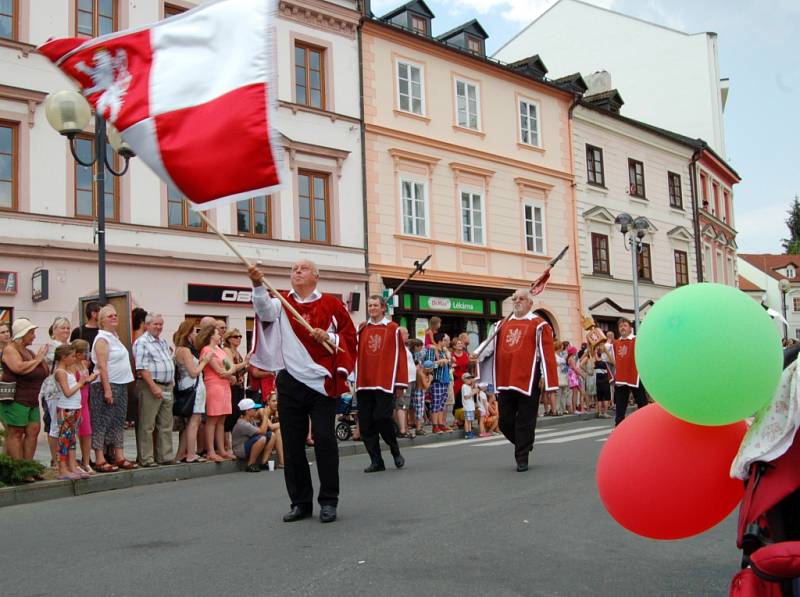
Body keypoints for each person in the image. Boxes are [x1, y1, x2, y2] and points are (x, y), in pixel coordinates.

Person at [248, 259, 356, 524]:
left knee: (324, 440)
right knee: (293, 444)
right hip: (290, 381)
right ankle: (300, 502)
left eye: (303, 268)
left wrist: (329, 337)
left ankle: (329, 500)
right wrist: (257, 285)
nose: (296, 272)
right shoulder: (282, 301)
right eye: (294, 269)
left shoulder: (331, 304)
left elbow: (350, 336)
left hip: (321, 382)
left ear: (315, 277)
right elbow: (264, 312)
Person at [473, 289, 558, 472]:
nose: (517, 301)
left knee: (526, 420)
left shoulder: (538, 325)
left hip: (529, 379)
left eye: (521, 299)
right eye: (515, 299)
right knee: (504, 421)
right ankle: (524, 442)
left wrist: (547, 378)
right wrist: (476, 354)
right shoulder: (500, 325)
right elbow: (489, 345)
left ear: (530, 303)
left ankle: (522, 456)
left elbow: (546, 354)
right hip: (505, 378)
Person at [354, 295, 408, 473]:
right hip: (364, 382)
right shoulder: (362, 328)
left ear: (383, 308)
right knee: (367, 423)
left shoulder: (393, 329)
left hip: (384, 382)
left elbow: (400, 357)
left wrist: (400, 383)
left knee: (382, 418)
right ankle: (376, 461)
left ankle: (394, 450)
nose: (372, 308)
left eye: (375, 305)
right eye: (370, 305)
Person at [90, 305, 136, 472]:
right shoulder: (102, 339)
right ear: (102, 320)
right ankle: (100, 458)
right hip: (106, 385)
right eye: (110, 316)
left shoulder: (115, 337)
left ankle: (119, 455)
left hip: (121, 384)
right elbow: (102, 366)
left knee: (118, 421)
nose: (114, 318)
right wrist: (107, 389)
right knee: (101, 422)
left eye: (116, 315)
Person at [1, 318, 49, 474]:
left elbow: (43, 369)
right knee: (16, 432)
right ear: (22, 334)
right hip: (16, 399)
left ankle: (29, 468)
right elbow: (19, 367)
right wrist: (38, 360)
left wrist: (38, 360)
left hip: (31, 400)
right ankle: (18, 469)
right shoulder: (10, 349)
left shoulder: (29, 352)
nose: (34, 336)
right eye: (31, 333)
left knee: (33, 431)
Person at [133, 313, 176, 467]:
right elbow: (142, 368)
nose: (159, 327)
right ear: (147, 325)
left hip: (166, 385)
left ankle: (165, 455)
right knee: (147, 424)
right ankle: (146, 458)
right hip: (151, 386)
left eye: (160, 324)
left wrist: (171, 380)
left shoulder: (163, 342)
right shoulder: (142, 342)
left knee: (165, 423)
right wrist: (153, 386)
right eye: (155, 324)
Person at [52, 344, 97, 479]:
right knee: (64, 440)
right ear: (63, 357)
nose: (73, 358)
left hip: (75, 407)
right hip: (66, 408)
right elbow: (67, 392)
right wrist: (81, 383)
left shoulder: (68, 370)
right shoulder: (60, 372)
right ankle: (62, 468)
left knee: (71, 439)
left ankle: (72, 466)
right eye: (71, 356)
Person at [173, 320, 212, 463]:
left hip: (187, 385)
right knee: (194, 420)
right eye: (194, 331)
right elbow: (193, 372)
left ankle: (181, 454)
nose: (196, 334)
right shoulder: (185, 350)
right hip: (193, 386)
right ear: (188, 334)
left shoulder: (179, 349)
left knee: (189, 422)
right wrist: (204, 361)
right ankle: (191, 453)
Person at [197, 323, 234, 462]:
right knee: (212, 419)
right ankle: (211, 451)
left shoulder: (219, 349)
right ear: (211, 335)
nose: (220, 335)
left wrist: (229, 373)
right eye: (217, 333)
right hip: (213, 384)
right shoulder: (206, 350)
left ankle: (222, 449)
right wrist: (229, 373)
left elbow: (229, 366)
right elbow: (218, 370)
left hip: (224, 385)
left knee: (221, 419)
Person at [612, 318, 647, 425]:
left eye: (625, 325)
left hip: (634, 375)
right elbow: (613, 360)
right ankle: (618, 428)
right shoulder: (616, 343)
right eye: (620, 326)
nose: (622, 328)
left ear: (630, 328)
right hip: (621, 378)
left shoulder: (637, 340)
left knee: (642, 403)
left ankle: (647, 425)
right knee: (620, 407)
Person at [232, 398, 279, 472]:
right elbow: (262, 432)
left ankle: (263, 462)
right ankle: (250, 464)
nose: (256, 410)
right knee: (262, 438)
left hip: (248, 444)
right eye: (254, 408)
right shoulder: (242, 423)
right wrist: (266, 416)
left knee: (272, 435)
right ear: (247, 411)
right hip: (240, 450)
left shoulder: (251, 419)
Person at [71, 339, 95, 474]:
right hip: (75, 401)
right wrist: (86, 380)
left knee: (86, 432)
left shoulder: (83, 364)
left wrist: (89, 378)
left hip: (84, 401)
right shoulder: (72, 366)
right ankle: (73, 462)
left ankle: (86, 462)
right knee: (73, 433)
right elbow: (74, 383)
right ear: (78, 353)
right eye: (85, 351)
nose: (88, 354)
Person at [223, 329, 249, 444]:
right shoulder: (227, 350)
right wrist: (244, 363)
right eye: (235, 336)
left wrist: (247, 367)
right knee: (231, 415)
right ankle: (226, 444)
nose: (238, 338)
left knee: (237, 413)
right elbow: (230, 367)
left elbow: (240, 371)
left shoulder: (237, 352)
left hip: (239, 386)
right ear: (229, 338)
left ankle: (233, 443)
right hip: (231, 386)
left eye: (240, 336)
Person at [424, 332, 451, 433]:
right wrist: (439, 362)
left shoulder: (443, 351)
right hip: (437, 380)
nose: (446, 342)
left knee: (441, 404)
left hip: (445, 379)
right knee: (435, 403)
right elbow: (428, 365)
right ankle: (435, 425)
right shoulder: (432, 350)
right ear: (439, 341)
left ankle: (440, 424)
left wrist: (448, 359)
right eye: (444, 340)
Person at [592, 345, 613, 419]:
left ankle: (600, 413)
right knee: (606, 397)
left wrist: (595, 351)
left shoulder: (595, 362)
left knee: (600, 398)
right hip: (605, 381)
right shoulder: (605, 361)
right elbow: (612, 361)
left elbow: (595, 358)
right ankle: (605, 413)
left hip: (598, 382)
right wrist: (607, 352)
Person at [460, 372, 478, 439]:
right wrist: (473, 393)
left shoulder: (468, 386)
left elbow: (473, 387)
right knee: (467, 421)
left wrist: (473, 385)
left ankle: (470, 432)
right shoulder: (464, 386)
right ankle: (467, 433)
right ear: (464, 379)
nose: (470, 380)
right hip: (467, 407)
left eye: (470, 378)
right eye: (468, 379)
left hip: (470, 407)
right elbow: (466, 397)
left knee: (470, 421)